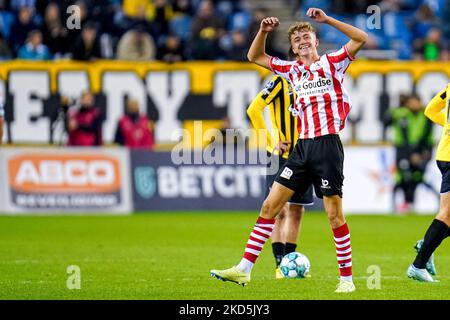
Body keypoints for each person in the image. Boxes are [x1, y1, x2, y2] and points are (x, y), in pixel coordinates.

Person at [210, 8, 367, 293]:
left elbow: (361, 37)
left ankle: (347, 279)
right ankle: (244, 269)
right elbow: (254, 57)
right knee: (271, 206)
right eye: (297, 40)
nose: (303, 42)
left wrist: (328, 20)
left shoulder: (333, 63)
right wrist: (263, 31)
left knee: (334, 215)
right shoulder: (291, 70)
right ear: (293, 49)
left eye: (307, 37)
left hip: (327, 146)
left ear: (316, 41)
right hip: (300, 148)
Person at [247, 72, 314, 279]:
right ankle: (279, 265)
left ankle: (289, 261)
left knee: (297, 211)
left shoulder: (313, 80)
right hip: (279, 156)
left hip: (305, 155)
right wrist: (268, 141)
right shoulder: (280, 81)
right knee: (278, 210)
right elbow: (254, 109)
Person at [407, 84, 450, 282]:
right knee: (447, 213)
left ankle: (427, 245)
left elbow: (430, 110)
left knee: (447, 213)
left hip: (444, 153)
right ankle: (418, 264)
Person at [384, 94, 436, 213]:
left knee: (417, 178)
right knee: (403, 177)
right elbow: (387, 121)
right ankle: (396, 205)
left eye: (415, 102)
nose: (413, 105)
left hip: (421, 150)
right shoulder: (402, 113)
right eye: (410, 102)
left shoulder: (426, 115)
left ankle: (410, 203)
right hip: (403, 150)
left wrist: (422, 152)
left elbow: (426, 134)